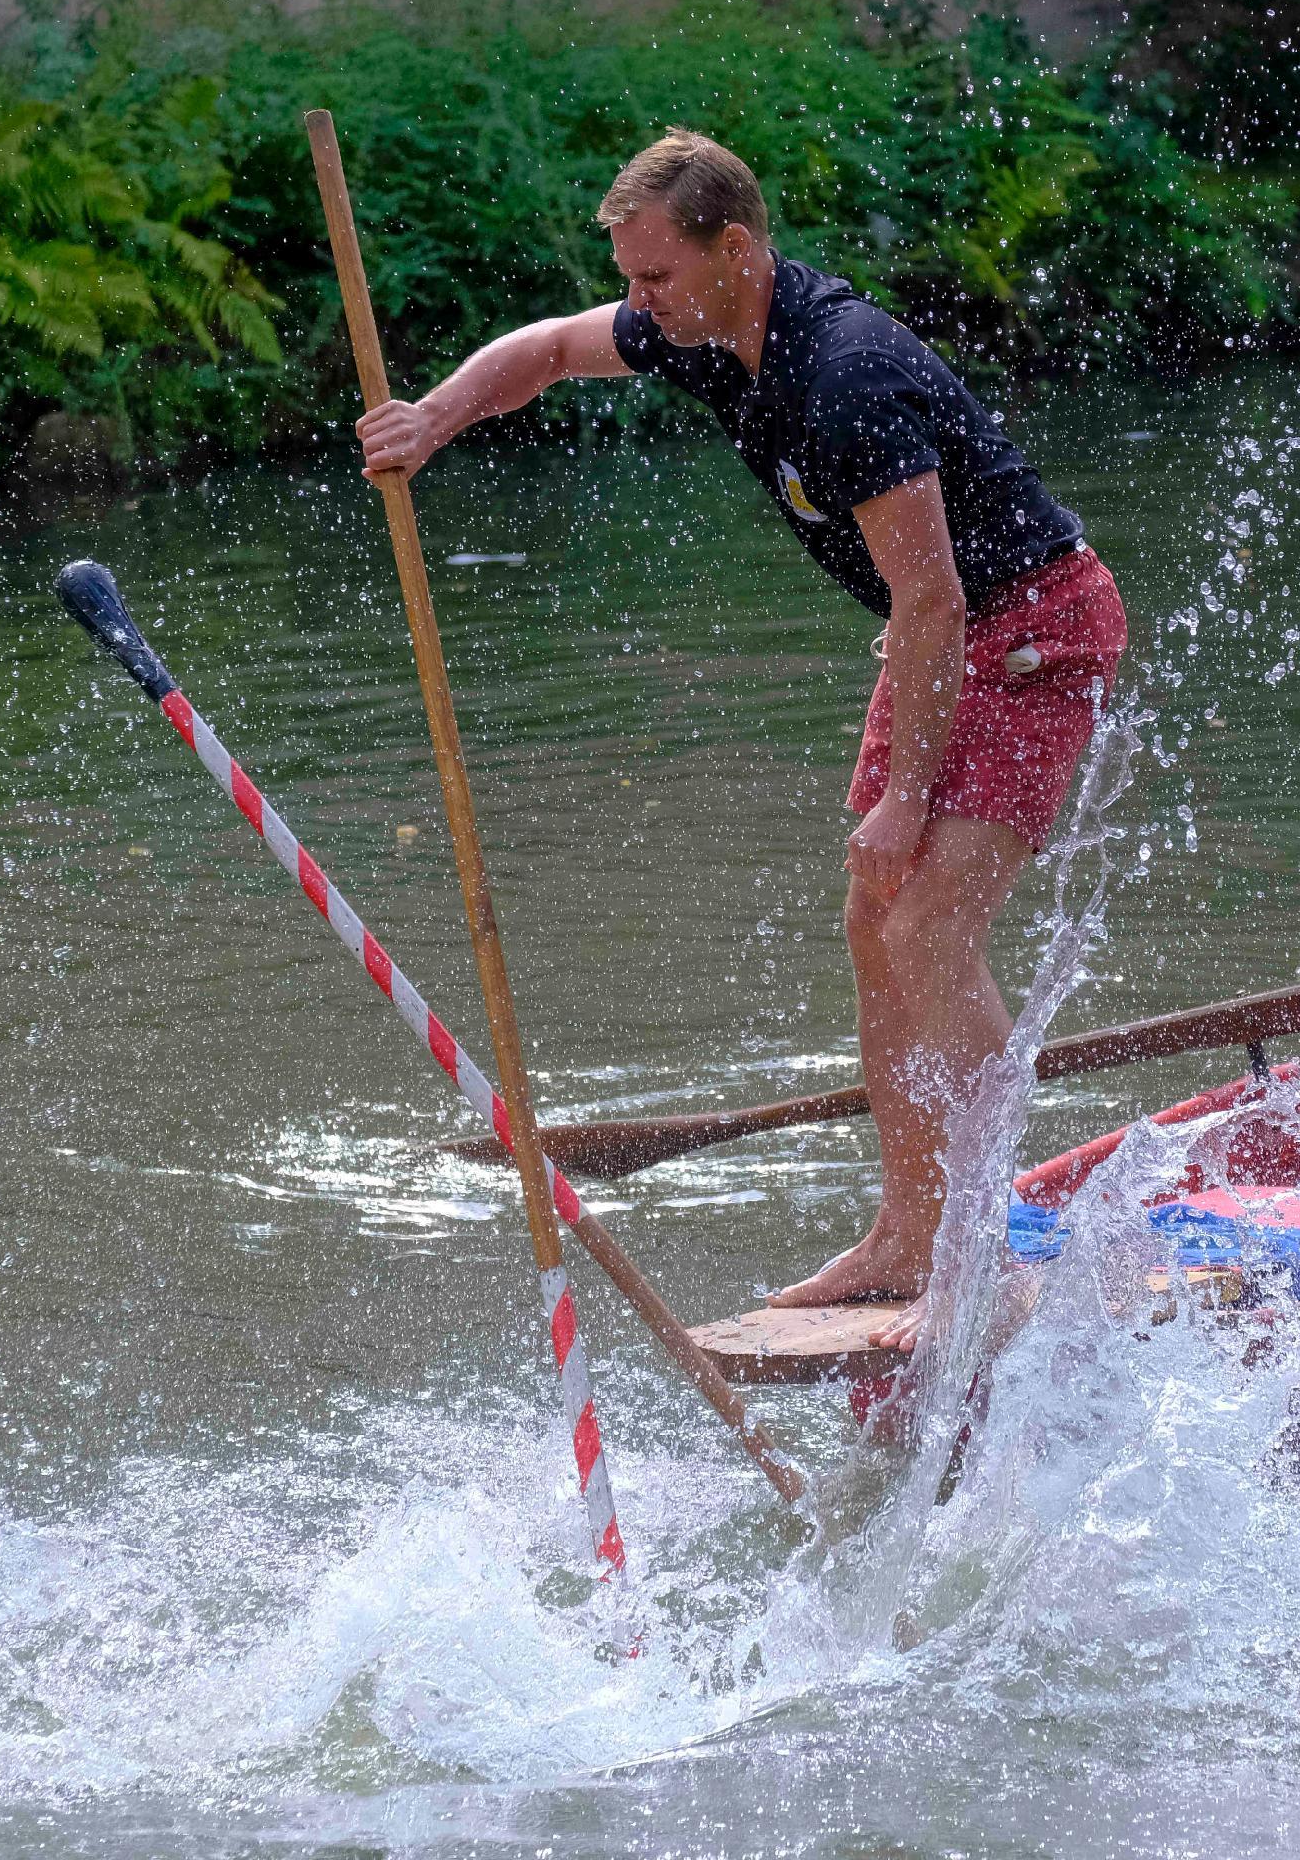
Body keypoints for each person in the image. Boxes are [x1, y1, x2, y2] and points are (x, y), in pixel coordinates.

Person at [353, 129, 1127, 1323]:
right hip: (938, 638)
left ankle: (989, 1244)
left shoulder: (846, 377)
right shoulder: (703, 334)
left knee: (926, 927)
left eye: (654, 275)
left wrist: (908, 796)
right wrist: (432, 422)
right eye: (630, 278)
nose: (637, 303)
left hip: (1031, 629)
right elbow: (550, 351)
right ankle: (907, 1236)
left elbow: (933, 599)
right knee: (875, 920)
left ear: (738, 249)